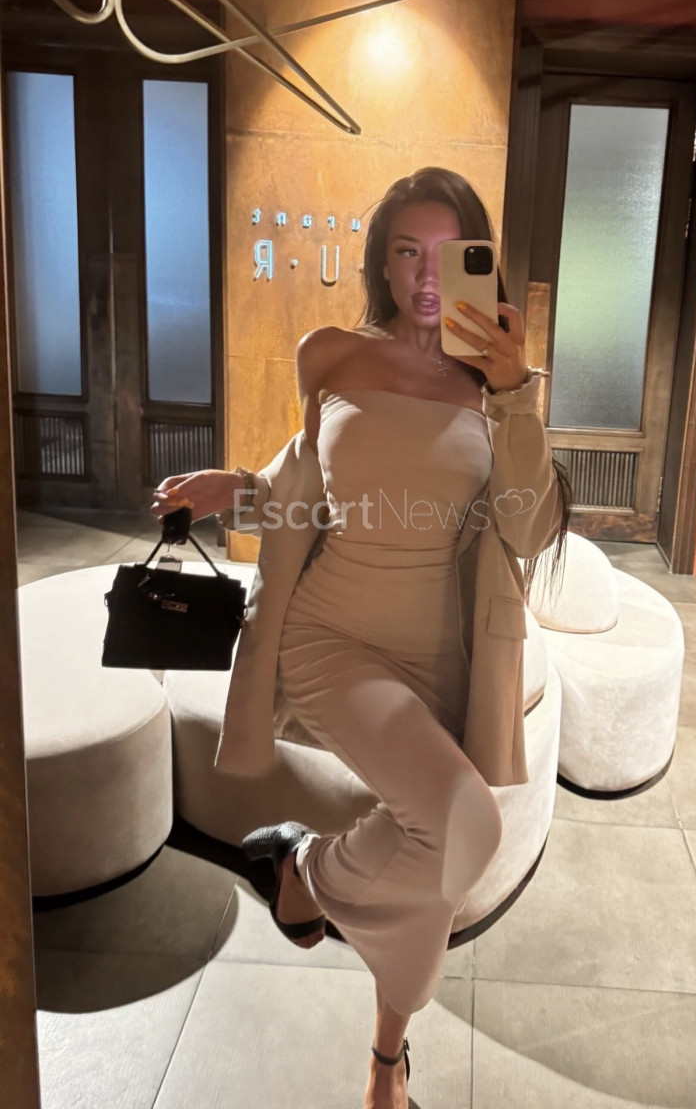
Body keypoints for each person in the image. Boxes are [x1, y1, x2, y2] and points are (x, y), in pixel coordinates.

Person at [150, 167, 571, 1109]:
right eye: (408, 252)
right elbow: (305, 490)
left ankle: (381, 1052)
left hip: (443, 657)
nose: (427, 276)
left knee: (430, 864)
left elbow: (530, 526)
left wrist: (515, 393)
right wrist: (233, 489)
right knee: (463, 825)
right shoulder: (331, 355)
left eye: (450, 255)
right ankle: (305, 872)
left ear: (480, 263)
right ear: (382, 263)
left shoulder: (495, 380)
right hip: (332, 638)